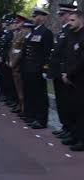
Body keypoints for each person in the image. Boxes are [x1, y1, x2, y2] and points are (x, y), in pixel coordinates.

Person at [47, 3, 77, 140]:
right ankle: (65, 126)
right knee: (61, 102)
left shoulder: (71, 31)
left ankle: (71, 129)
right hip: (57, 72)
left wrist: (65, 72)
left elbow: (68, 54)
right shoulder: (63, 31)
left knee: (67, 103)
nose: (60, 17)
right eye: (59, 14)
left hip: (64, 73)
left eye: (62, 14)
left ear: (70, 14)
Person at [20, 8, 54, 129]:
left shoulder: (46, 33)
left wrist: (45, 70)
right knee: (30, 93)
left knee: (40, 96)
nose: (33, 19)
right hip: (28, 68)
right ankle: (31, 115)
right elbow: (26, 50)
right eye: (33, 17)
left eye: (36, 17)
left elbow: (47, 54)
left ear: (43, 18)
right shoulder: (33, 32)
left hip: (38, 69)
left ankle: (41, 120)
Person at [61, 11, 84, 151]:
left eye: (72, 20)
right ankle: (75, 135)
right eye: (69, 20)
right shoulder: (71, 34)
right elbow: (66, 55)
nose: (69, 22)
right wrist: (64, 72)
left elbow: (82, 60)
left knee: (81, 110)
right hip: (70, 78)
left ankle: (82, 139)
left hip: (80, 79)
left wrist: (69, 74)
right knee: (73, 108)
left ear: (81, 20)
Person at [8, 15, 28, 114]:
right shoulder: (17, 33)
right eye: (16, 23)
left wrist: (13, 62)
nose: (16, 24)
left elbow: (20, 51)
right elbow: (12, 49)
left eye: (18, 22)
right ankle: (20, 106)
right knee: (17, 87)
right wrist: (11, 60)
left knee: (21, 88)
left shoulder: (25, 33)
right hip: (14, 64)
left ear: (23, 23)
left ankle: (23, 108)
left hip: (19, 65)